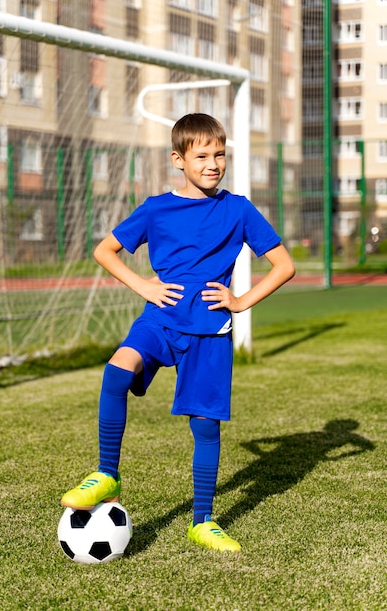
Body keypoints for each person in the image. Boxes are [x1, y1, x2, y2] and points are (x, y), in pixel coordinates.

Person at [61, 113, 295, 552]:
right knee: (116, 372)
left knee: (205, 427)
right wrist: (143, 284)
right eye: (202, 155)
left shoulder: (239, 209)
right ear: (178, 159)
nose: (213, 164)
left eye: (219, 154)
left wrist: (240, 302)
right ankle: (107, 472)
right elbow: (104, 250)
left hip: (209, 330)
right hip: (160, 319)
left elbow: (284, 265)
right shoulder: (156, 209)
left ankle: (202, 521)